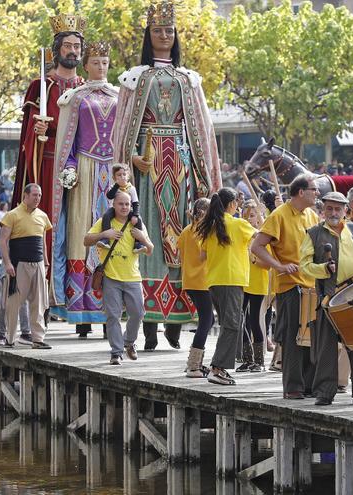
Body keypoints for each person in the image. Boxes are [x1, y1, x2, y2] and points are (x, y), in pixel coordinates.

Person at [111, 1, 221, 348]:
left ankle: (176, 319)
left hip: (181, 163)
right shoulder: (136, 77)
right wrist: (129, 158)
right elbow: (122, 127)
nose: (164, 35)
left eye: (169, 31)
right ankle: (147, 325)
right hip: (147, 164)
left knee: (180, 238)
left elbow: (201, 128)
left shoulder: (188, 79)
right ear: (149, 35)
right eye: (158, 30)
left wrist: (204, 174)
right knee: (149, 236)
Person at [52, 40, 119, 336]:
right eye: (95, 62)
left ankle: (109, 312)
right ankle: (81, 315)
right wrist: (69, 166)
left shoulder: (120, 96)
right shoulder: (76, 98)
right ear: (86, 64)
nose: (101, 67)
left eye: (105, 62)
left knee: (114, 235)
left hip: (112, 169)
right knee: (83, 234)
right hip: (86, 169)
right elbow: (68, 138)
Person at [11, 14, 86, 271]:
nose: (73, 51)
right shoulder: (42, 85)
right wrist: (37, 128)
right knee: (49, 222)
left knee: (79, 223)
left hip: (81, 164)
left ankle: (76, 289)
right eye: (68, 46)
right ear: (57, 49)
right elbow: (30, 132)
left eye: (77, 47)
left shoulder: (85, 86)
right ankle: (46, 283)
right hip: (48, 164)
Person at [300, 191, 353, 406]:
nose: (334, 212)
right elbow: (304, 266)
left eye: (338, 208)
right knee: (326, 348)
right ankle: (324, 392)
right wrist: (323, 269)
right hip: (328, 299)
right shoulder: (313, 234)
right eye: (329, 208)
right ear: (322, 210)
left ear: (346, 210)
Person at [250, 176, 320, 399]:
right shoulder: (279, 214)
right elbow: (257, 246)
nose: (316, 193)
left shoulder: (312, 215)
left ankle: (309, 384)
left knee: (311, 336)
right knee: (292, 338)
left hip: (312, 284)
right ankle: (293, 387)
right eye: (314, 190)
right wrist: (278, 265)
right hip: (291, 285)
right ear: (300, 192)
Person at [83, 191, 153, 365]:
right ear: (113, 205)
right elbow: (86, 240)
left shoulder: (137, 223)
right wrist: (104, 235)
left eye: (127, 204)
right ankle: (116, 352)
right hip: (111, 277)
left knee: (138, 313)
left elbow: (150, 249)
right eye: (121, 204)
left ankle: (128, 342)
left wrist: (142, 239)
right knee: (113, 316)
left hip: (133, 278)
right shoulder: (104, 222)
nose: (124, 207)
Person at [197, 187, 257, 385]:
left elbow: (202, 255)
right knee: (232, 325)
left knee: (229, 324)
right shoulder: (238, 224)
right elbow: (260, 235)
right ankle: (217, 367)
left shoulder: (210, 225)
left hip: (214, 280)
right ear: (232, 204)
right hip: (231, 280)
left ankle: (221, 366)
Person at [0, 184, 54, 349]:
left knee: (38, 303)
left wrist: (45, 262)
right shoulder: (12, 215)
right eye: (35, 195)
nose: (38, 198)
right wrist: (8, 263)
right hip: (19, 265)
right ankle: (9, 338)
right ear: (26, 195)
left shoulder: (43, 216)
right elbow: (3, 240)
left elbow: (43, 241)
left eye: (39, 195)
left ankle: (37, 339)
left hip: (37, 263)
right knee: (13, 303)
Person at [179, 198, 213, 378]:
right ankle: (193, 365)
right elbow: (203, 255)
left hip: (190, 281)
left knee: (208, 321)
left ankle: (196, 362)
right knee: (207, 320)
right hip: (202, 281)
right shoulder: (204, 232)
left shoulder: (186, 230)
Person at [238, 200, 270, 373]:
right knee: (240, 320)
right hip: (243, 281)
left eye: (251, 215)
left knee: (255, 320)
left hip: (258, 282)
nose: (248, 219)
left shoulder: (263, 236)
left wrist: (254, 259)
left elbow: (268, 264)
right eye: (245, 215)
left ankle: (259, 361)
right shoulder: (243, 233)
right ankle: (247, 359)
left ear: (258, 217)